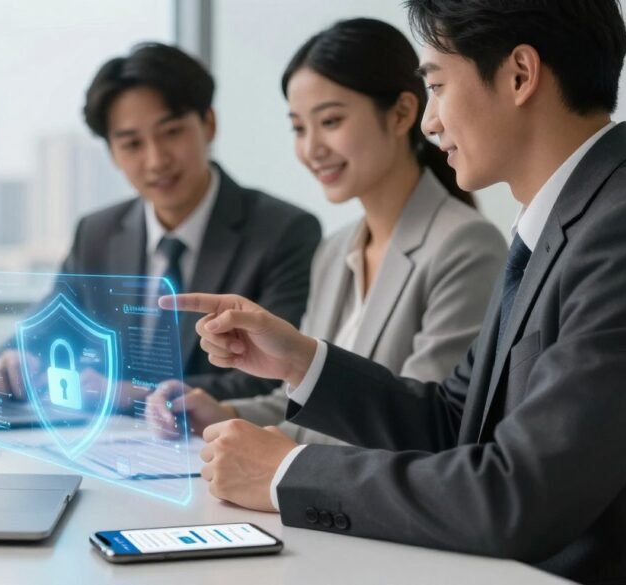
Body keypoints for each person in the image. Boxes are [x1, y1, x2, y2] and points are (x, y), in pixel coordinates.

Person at [160, 1, 626, 581]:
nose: (431, 122)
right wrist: (301, 361)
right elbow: (452, 422)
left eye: (436, 86)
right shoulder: (558, 225)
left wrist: (286, 473)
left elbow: (522, 494)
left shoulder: (625, 227)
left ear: (520, 75)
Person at [146, 18, 506, 442]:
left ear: (402, 113)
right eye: (299, 128)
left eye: (330, 121)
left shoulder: (465, 246)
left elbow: (422, 427)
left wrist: (274, 454)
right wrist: (220, 412)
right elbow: (309, 399)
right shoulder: (335, 251)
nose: (311, 149)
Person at [0, 42, 321, 403]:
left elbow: (280, 379)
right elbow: (31, 339)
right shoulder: (97, 234)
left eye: (171, 132)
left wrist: (133, 395)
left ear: (209, 124)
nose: (156, 160)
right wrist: (15, 362)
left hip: (219, 436)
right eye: (132, 144)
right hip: (104, 437)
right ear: (112, 154)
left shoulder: (283, 232)